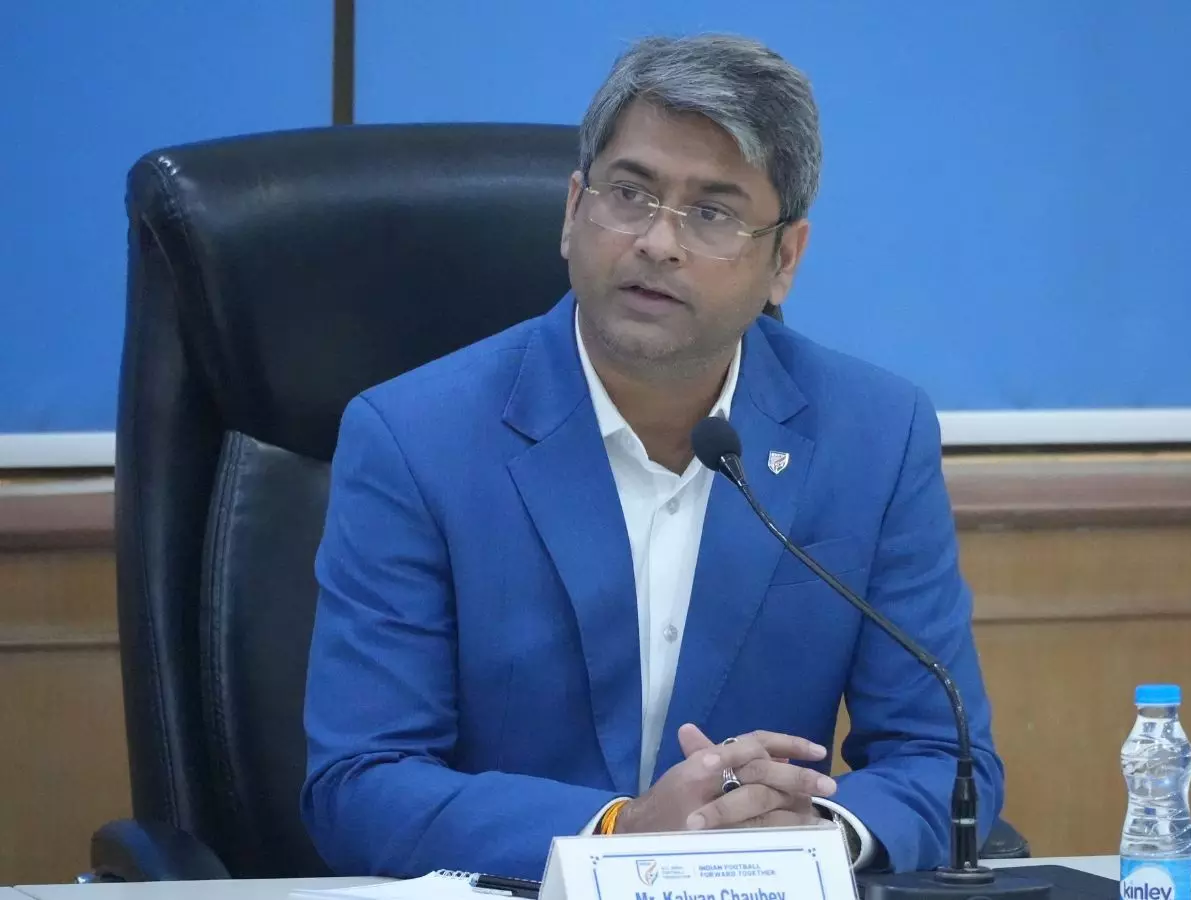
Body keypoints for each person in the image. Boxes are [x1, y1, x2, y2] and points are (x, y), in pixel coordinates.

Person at [301, 33, 1002, 880]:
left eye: (712, 213)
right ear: (573, 212)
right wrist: (620, 831)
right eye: (630, 194)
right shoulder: (414, 438)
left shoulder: (874, 435)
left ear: (784, 260)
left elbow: (941, 755)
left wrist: (814, 833)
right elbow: (361, 782)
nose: (658, 242)